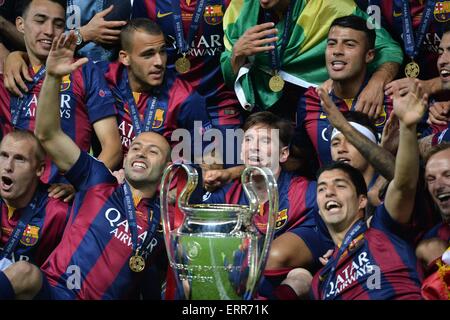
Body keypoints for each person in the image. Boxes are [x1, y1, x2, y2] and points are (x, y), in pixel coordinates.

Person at [0, 31, 170, 300]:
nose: (141, 153)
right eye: (135, 147)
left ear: (166, 169)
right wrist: (53, 77)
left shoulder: (164, 224)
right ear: (125, 158)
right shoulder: (98, 180)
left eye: (153, 151)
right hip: (54, 292)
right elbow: (47, 134)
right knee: (24, 274)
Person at [283, 79, 428, 300]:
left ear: (361, 201)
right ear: (319, 211)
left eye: (340, 186)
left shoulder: (384, 228)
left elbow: (404, 182)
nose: (329, 192)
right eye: (321, 189)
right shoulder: (320, 281)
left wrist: (408, 129)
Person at [0, 0, 122, 201]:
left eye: (58, 24)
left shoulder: (84, 70)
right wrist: (14, 55)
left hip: (63, 203)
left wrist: (83, 183)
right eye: (40, 21)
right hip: (13, 203)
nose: (49, 31)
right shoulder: (10, 75)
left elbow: (112, 148)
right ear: (20, 24)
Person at [221, 0, 402, 119]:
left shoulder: (329, 6)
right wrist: (237, 54)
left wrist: (377, 83)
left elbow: (388, 48)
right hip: (260, 114)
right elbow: (229, 78)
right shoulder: (240, 10)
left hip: (318, 110)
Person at [131, 0, 243, 166]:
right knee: (165, 175)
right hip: (170, 105)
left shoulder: (230, 2)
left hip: (219, 101)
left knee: (226, 172)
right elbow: (136, 46)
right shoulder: (148, 3)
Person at [100, 18, 213, 159]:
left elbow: (210, 159)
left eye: (162, 52)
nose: (159, 62)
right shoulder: (104, 77)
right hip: (112, 177)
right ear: (125, 58)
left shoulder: (185, 99)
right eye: (148, 54)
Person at [296, 15, 394, 167]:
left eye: (349, 45)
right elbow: (302, 159)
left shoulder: (393, 98)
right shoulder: (311, 100)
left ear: (369, 55)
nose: (337, 51)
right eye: (331, 44)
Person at [0, 131, 70, 270]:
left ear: (39, 169)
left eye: (19, 159)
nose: (8, 166)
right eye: (3, 155)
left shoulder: (58, 214)